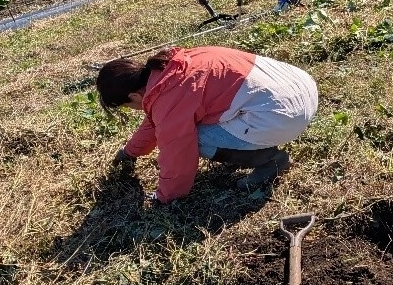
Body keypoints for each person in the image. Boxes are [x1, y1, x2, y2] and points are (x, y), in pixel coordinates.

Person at [96, 46, 318, 202]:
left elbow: (178, 153)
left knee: (194, 137)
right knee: (190, 124)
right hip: (300, 85)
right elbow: (157, 120)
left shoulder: (168, 97)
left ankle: (270, 161)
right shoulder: (173, 66)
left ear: (134, 95)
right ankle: (251, 145)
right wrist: (130, 152)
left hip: (284, 115)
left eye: (127, 106)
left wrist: (165, 197)